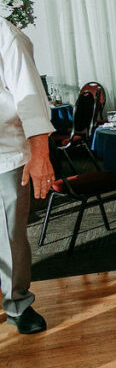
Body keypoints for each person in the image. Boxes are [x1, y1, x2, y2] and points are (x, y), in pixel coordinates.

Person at [1, 18, 55, 335]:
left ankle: (17, 303)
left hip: (4, 155)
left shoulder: (4, 33)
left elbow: (29, 94)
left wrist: (40, 154)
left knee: (8, 236)